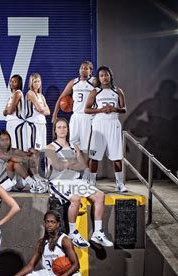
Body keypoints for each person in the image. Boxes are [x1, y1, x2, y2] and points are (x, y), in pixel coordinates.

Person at [46, 118, 113, 248]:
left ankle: (98, 233)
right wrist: (71, 163)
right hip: (59, 181)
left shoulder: (73, 146)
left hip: (75, 180)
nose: (62, 129)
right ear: (55, 130)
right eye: (59, 127)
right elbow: (57, 166)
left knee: (100, 196)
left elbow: (82, 165)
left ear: (68, 129)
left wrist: (69, 164)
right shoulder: (50, 147)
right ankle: (72, 232)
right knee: (76, 199)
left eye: (64, 127)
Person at [84, 65, 128, 192]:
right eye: (102, 75)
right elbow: (86, 109)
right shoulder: (95, 91)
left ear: (110, 76)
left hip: (113, 124)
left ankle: (119, 183)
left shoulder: (118, 91)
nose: (104, 77)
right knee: (94, 156)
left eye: (106, 75)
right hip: (99, 124)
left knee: (117, 156)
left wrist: (114, 109)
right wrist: (101, 110)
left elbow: (124, 109)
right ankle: (92, 183)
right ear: (99, 77)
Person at [52, 61, 97, 181]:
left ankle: (89, 175)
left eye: (86, 68)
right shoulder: (73, 82)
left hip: (88, 117)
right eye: (82, 68)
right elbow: (61, 98)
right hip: (76, 117)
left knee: (88, 148)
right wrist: (55, 114)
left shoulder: (94, 82)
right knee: (72, 146)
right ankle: (74, 173)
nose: (83, 70)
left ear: (91, 71)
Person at [25, 73, 50, 151]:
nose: (37, 83)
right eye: (35, 81)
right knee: (34, 150)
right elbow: (41, 110)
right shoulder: (30, 93)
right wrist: (42, 109)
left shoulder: (41, 96)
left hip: (42, 123)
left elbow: (48, 112)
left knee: (42, 150)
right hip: (34, 124)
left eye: (38, 81)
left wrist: (41, 109)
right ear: (31, 83)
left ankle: (38, 163)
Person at [3, 74, 25, 150]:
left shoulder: (18, 93)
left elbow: (10, 110)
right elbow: (4, 113)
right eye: (11, 81)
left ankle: (21, 162)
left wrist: (8, 110)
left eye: (15, 81)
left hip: (17, 123)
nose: (12, 83)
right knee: (11, 146)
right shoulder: (11, 96)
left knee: (17, 147)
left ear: (19, 83)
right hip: (10, 122)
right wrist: (7, 110)